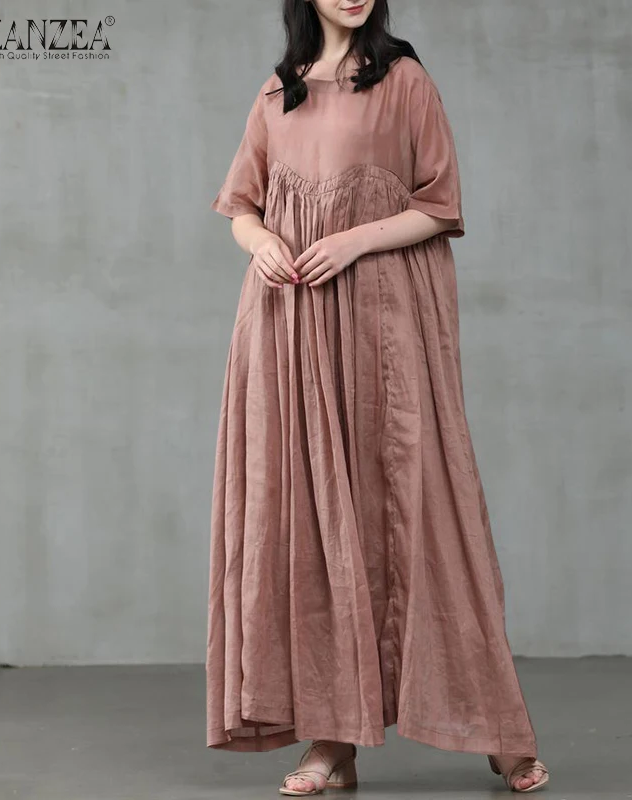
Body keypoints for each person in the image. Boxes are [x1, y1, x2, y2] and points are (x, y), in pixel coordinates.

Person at [206, 0, 550, 794]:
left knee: (422, 510)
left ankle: (498, 730)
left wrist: (351, 239)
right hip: (292, 326)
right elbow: (241, 208)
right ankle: (332, 742)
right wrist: (263, 243)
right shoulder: (279, 90)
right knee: (313, 520)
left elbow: (439, 204)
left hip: (385, 325)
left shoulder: (404, 81)